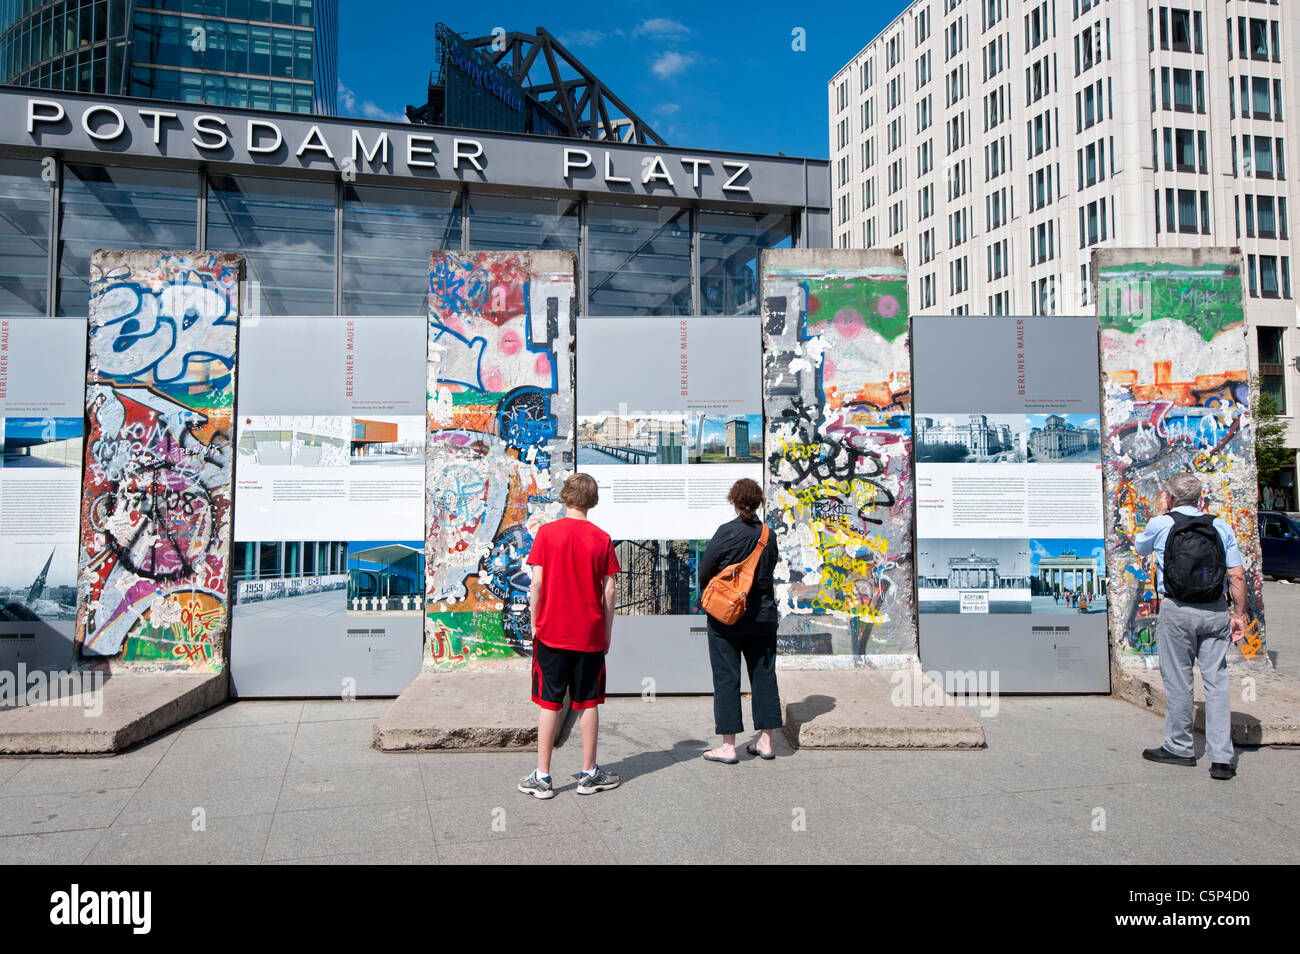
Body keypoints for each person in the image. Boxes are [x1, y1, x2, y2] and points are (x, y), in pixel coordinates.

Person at [1133, 471, 1247, 781]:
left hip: (1177, 610)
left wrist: (1161, 513)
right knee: (1216, 682)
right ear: (1201, 498)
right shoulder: (1220, 526)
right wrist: (1238, 614)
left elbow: (1141, 548)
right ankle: (1222, 758)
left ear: (1169, 497)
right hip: (1215, 610)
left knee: (1179, 679)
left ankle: (1180, 747)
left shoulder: (1162, 524)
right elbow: (1237, 574)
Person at [517, 473, 622, 798]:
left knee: (549, 702)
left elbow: (536, 583)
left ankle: (543, 776)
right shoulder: (602, 538)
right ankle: (589, 773)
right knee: (587, 702)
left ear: (564, 497)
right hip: (588, 635)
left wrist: (535, 623)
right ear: (593, 501)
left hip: (552, 632)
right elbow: (609, 589)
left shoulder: (547, 534)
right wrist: (606, 632)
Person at [697, 477, 782, 762]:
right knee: (764, 674)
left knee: (727, 676)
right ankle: (766, 742)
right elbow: (770, 569)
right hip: (763, 616)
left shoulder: (726, 532)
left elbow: (705, 569)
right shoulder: (769, 535)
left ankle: (728, 746)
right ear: (758, 503)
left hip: (727, 618)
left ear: (733, 502)